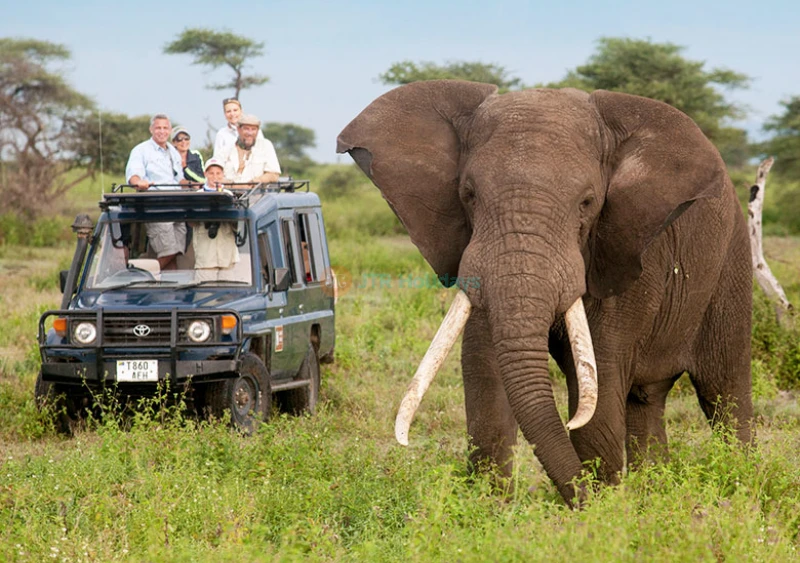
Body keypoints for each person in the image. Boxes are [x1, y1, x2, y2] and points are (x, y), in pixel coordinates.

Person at [125, 113, 187, 270]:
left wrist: (196, 184)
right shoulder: (141, 150)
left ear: (170, 130)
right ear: (151, 129)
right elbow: (134, 175)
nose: (162, 131)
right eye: (158, 128)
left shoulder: (173, 151)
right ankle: (140, 275)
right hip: (157, 206)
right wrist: (139, 183)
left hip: (178, 206)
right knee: (169, 250)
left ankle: (171, 291)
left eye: (165, 128)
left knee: (177, 250)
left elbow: (179, 179)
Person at [193, 158, 241, 282]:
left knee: (229, 294)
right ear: (205, 175)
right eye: (211, 173)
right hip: (206, 255)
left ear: (223, 175)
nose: (215, 177)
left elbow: (237, 225)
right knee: (204, 294)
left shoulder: (229, 195)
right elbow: (191, 223)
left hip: (227, 254)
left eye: (218, 173)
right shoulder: (197, 195)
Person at [219, 114, 281, 184]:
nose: (250, 133)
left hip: (257, 192)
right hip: (229, 192)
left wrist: (255, 182)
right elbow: (215, 174)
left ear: (257, 131)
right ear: (238, 129)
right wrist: (231, 185)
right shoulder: (226, 149)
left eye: (253, 129)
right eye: (246, 129)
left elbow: (274, 175)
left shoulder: (265, 145)